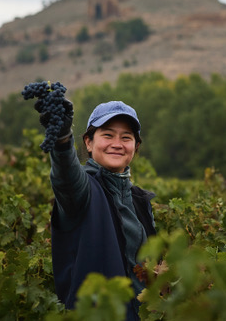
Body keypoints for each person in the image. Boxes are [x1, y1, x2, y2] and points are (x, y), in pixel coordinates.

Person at [37, 99, 156, 320]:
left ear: (135, 147)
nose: (117, 143)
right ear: (89, 143)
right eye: (108, 135)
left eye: (126, 137)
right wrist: (62, 140)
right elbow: (66, 177)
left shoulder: (140, 200)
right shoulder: (84, 191)